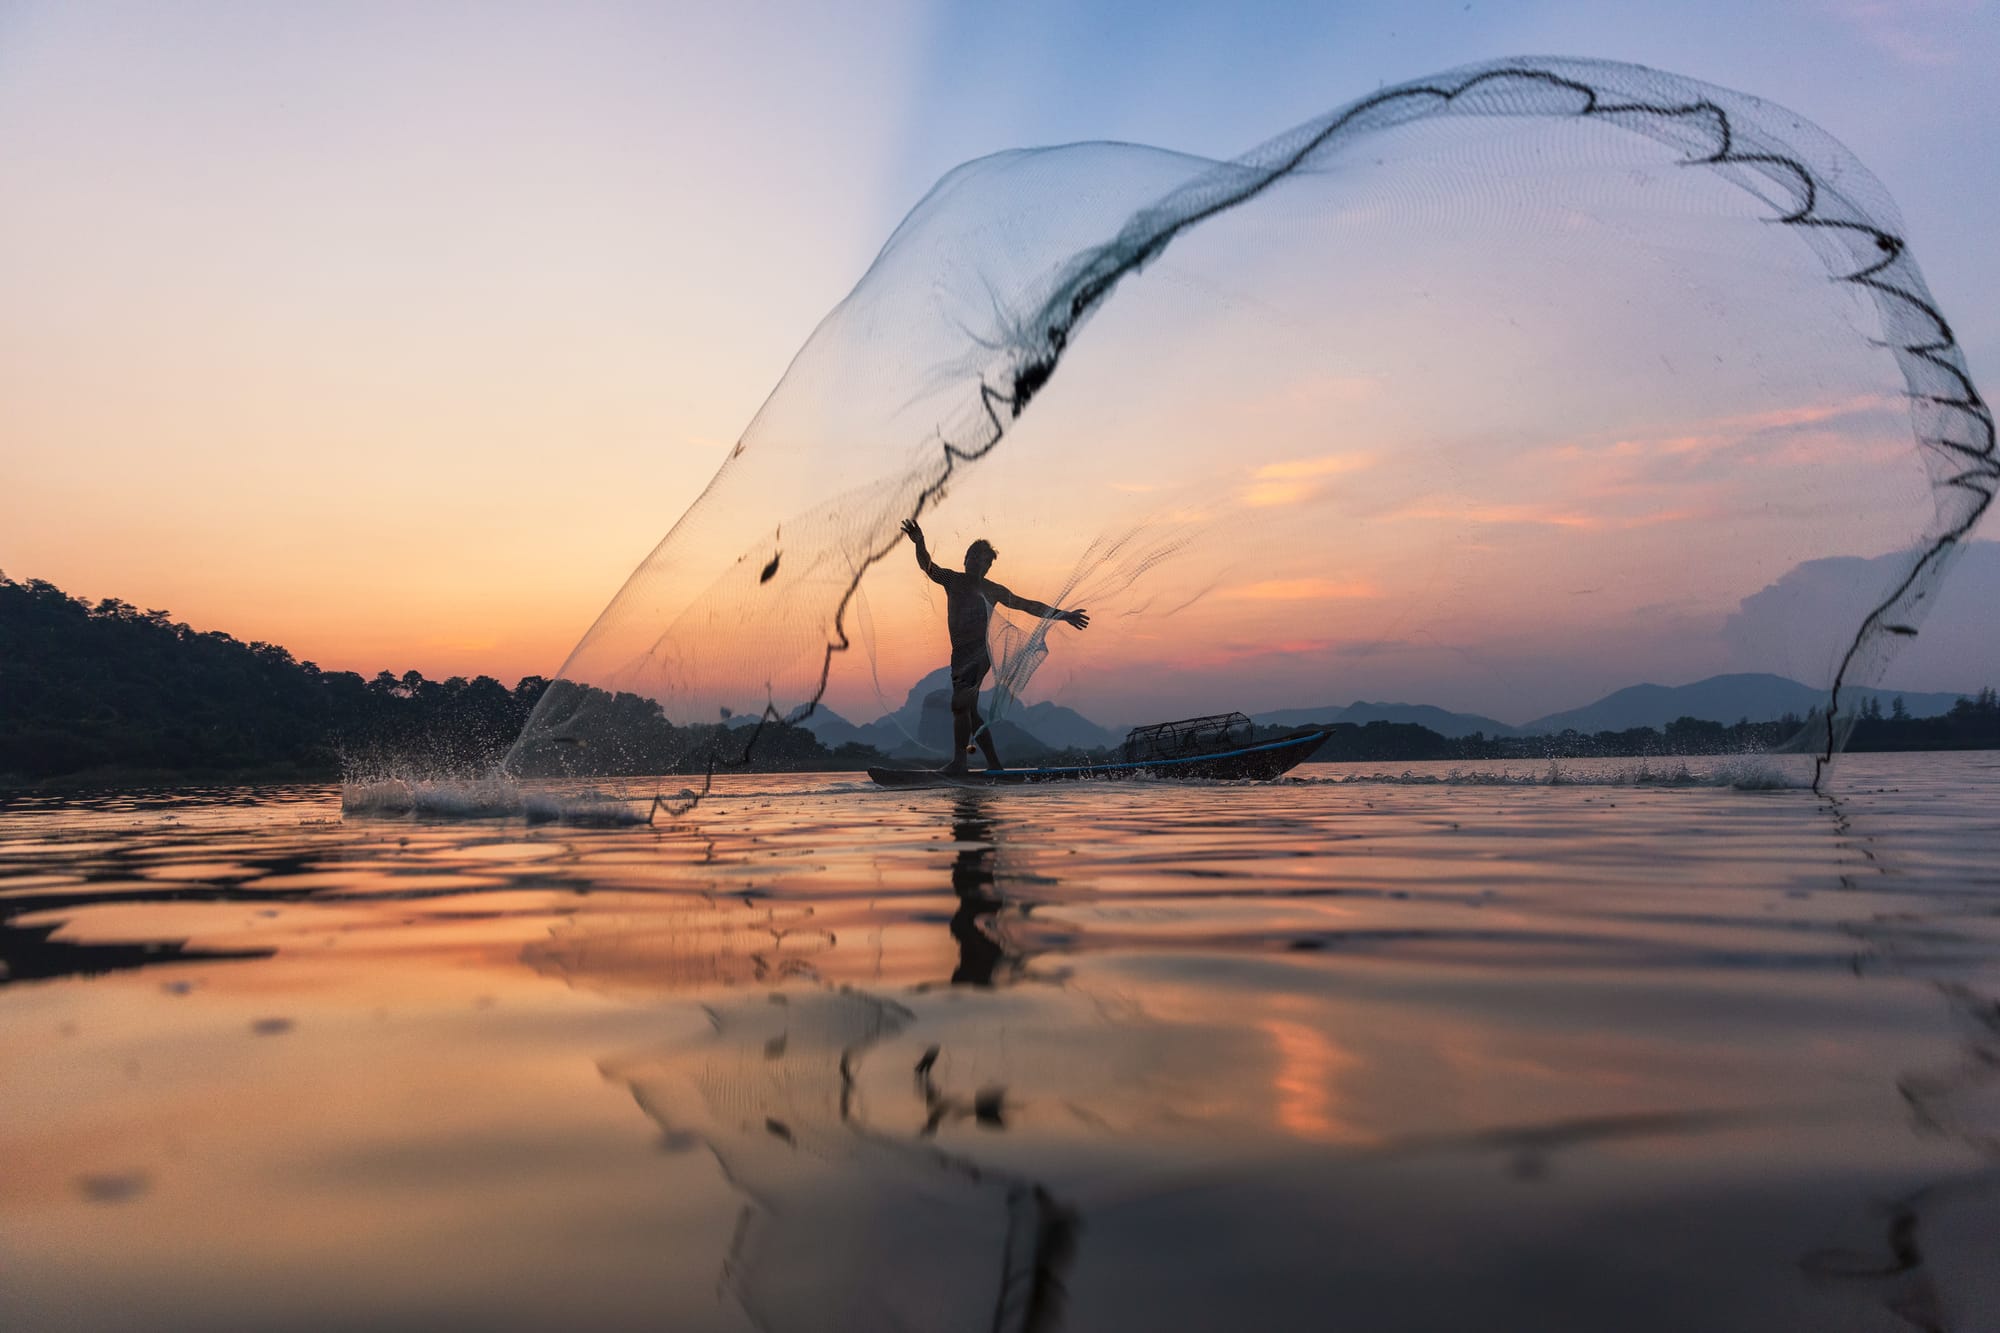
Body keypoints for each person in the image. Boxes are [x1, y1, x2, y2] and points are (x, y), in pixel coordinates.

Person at [900, 518, 1088, 773]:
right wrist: (919, 542)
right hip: (959, 654)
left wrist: (1062, 614)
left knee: (958, 704)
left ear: (988, 567)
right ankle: (995, 766)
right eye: (975, 558)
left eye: (984, 561)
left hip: (978, 655)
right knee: (971, 713)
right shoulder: (953, 580)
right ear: (965, 559)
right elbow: (928, 567)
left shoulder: (993, 590)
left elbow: (1027, 605)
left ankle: (959, 763)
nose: (979, 563)